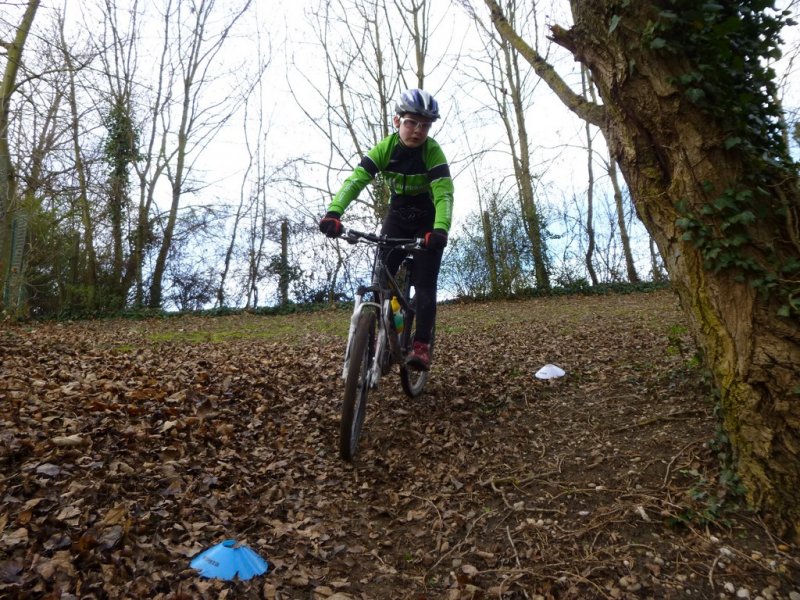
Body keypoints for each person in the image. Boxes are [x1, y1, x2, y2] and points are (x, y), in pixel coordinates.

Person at [319, 88, 454, 371]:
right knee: (381, 282)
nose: (417, 130)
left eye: (425, 125)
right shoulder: (385, 149)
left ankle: (421, 345)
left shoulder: (433, 152)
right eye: (411, 123)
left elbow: (443, 195)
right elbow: (356, 180)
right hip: (397, 216)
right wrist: (334, 212)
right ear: (397, 121)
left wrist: (440, 230)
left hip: (427, 221)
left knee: (425, 286)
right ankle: (391, 327)